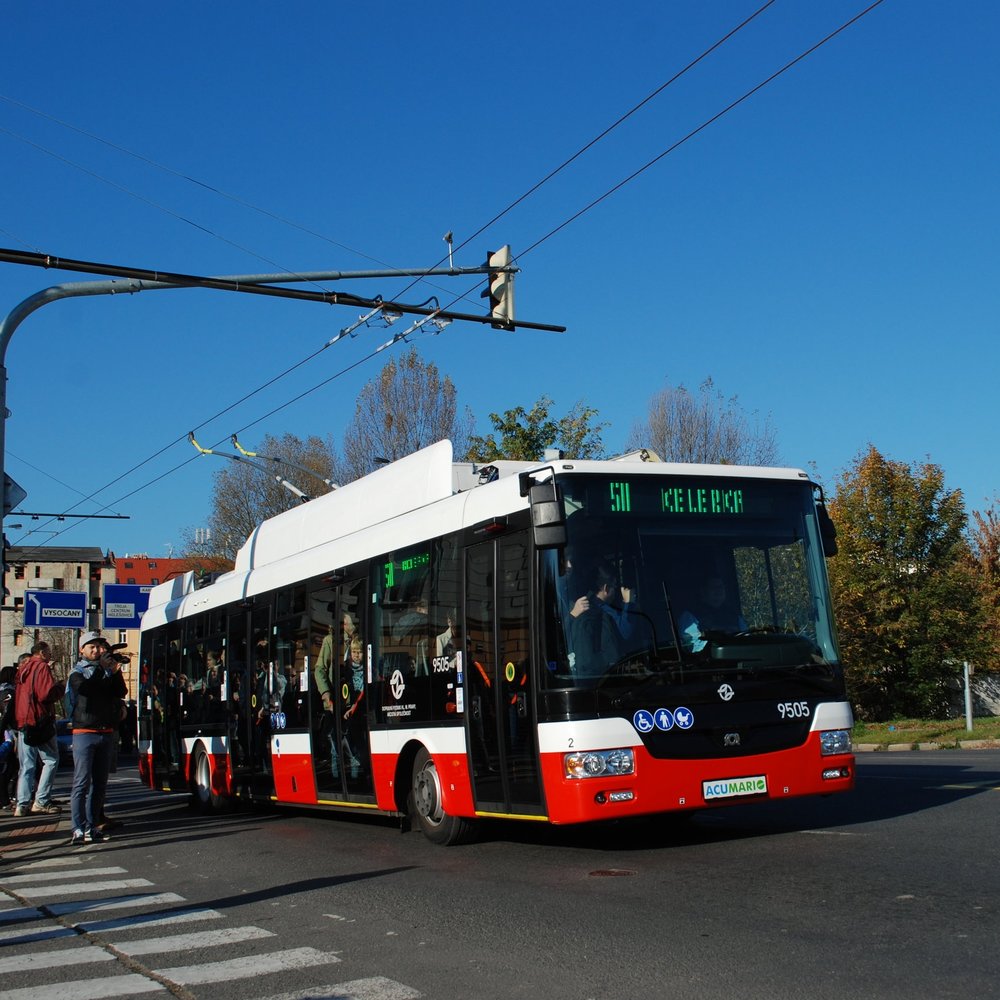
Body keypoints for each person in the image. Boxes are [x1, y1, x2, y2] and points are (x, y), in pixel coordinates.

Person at [67, 631, 127, 845]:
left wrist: (114, 670)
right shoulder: (77, 672)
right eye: (91, 647)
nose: (96, 650)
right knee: (81, 782)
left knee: (99, 784)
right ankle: (77, 827)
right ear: (82, 649)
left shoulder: (106, 672)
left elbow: (121, 691)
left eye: (99, 647)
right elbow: (86, 691)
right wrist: (102, 669)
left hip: (106, 731)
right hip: (85, 732)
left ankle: (92, 825)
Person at [13, 642, 64, 816]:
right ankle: (41, 800)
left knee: (26, 765)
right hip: (39, 721)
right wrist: (59, 688)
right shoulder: (41, 667)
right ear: (42, 652)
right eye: (49, 652)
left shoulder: (24, 668)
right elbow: (45, 694)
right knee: (51, 760)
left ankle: (22, 804)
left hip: (23, 721)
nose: (50, 655)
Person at [569, 564, 634, 676]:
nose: (616, 591)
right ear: (606, 588)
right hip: (603, 675)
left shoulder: (585, 607)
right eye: (614, 586)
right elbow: (626, 632)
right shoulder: (603, 611)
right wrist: (629, 603)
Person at [678, 575, 748, 653]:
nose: (718, 590)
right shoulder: (690, 615)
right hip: (708, 662)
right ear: (703, 591)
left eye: (721, 587)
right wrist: (718, 642)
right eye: (713, 587)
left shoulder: (734, 615)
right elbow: (693, 646)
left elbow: (746, 638)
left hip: (738, 656)